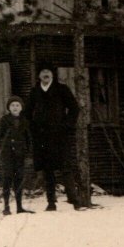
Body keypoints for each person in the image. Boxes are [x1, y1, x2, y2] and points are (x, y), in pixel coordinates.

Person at [24, 62, 81, 211]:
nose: (45, 74)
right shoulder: (34, 92)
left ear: (53, 74)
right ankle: (51, 202)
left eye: (48, 71)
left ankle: (74, 200)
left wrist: (67, 125)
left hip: (60, 135)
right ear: (38, 75)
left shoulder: (62, 89)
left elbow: (74, 108)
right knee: (47, 169)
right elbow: (27, 113)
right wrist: (33, 128)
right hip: (42, 138)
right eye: (42, 71)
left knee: (65, 167)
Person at [0, 96, 33, 215]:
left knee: (19, 179)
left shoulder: (25, 121)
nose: (15, 108)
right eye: (12, 105)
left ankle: (19, 207)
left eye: (17, 105)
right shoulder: (4, 120)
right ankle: (6, 207)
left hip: (20, 155)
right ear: (8, 108)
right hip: (7, 154)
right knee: (7, 179)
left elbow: (29, 139)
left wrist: (29, 155)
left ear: (21, 108)